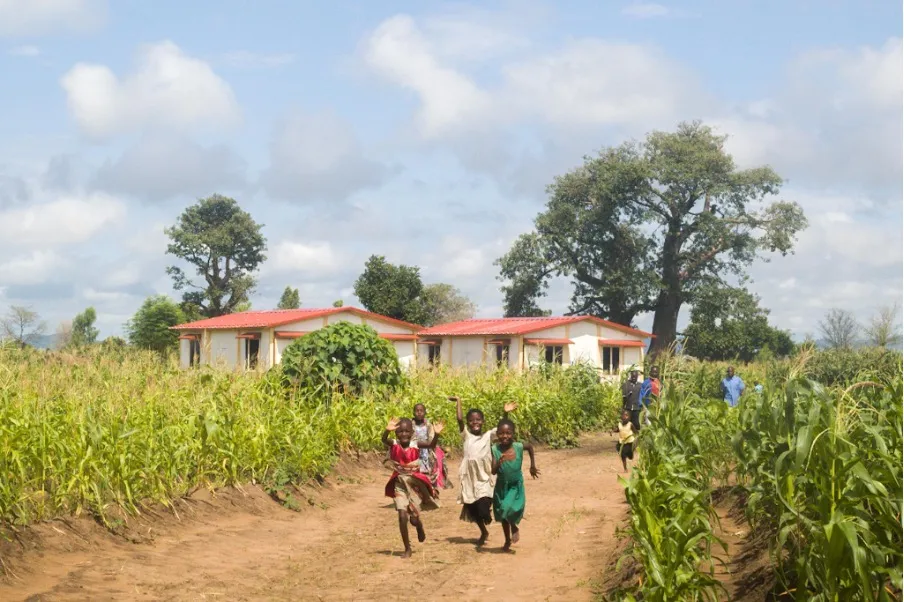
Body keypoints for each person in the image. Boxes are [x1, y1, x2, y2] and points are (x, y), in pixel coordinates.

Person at [449, 395, 518, 547]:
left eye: (478, 419)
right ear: (468, 423)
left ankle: (507, 526)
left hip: (485, 477)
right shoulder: (466, 435)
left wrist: (505, 413)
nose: (475, 422)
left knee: (483, 507)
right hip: (469, 478)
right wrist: (459, 400)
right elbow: (459, 420)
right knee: (472, 508)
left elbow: (502, 428)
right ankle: (484, 532)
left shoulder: (488, 436)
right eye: (472, 420)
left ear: (483, 421)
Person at [382, 416, 444, 558]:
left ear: (412, 433)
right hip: (400, 483)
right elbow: (383, 440)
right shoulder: (394, 444)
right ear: (396, 433)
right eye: (400, 431)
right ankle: (407, 548)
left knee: (414, 519)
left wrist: (437, 434)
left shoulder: (416, 444)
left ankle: (419, 526)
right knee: (402, 515)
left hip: (414, 483)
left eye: (406, 431)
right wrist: (387, 431)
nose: (403, 434)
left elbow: (430, 445)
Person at [491, 418, 539, 552]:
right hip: (501, 486)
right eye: (501, 433)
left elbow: (529, 446)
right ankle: (507, 540)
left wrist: (532, 466)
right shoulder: (495, 449)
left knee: (507, 508)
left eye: (508, 433)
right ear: (497, 434)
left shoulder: (518, 446)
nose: (505, 436)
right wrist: (499, 463)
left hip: (515, 484)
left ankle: (514, 525)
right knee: (503, 514)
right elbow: (493, 471)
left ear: (513, 433)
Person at [412, 403, 450, 490]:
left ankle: (429, 491)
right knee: (415, 472)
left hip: (426, 453)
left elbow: (432, 440)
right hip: (414, 451)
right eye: (417, 411)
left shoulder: (429, 425)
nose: (419, 413)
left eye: (421, 411)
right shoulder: (411, 424)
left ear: (425, 413)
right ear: (413, 413)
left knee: (427, 472)